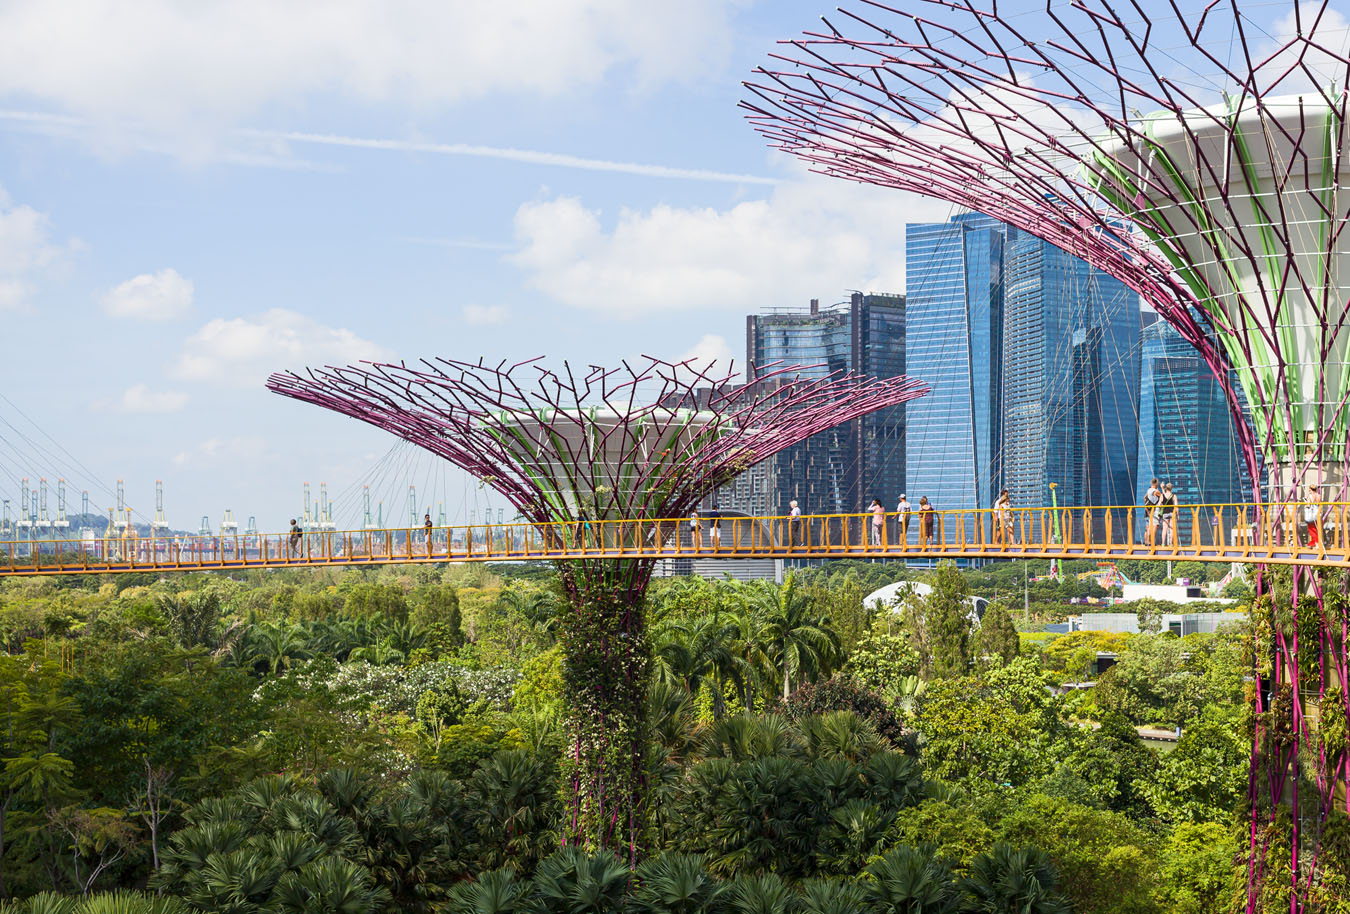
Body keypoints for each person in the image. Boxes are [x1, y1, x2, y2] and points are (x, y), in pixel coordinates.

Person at [1143, 478, 1161, 545]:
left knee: (1147, 527)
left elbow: (1144, 498)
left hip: (1147, 510)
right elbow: (1163, 497)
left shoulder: (1148, 491)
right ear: (1156, 484)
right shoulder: (1155, 491)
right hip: (1153, 511)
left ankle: (1146, 542)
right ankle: (1151, 542)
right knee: (1154, 526)